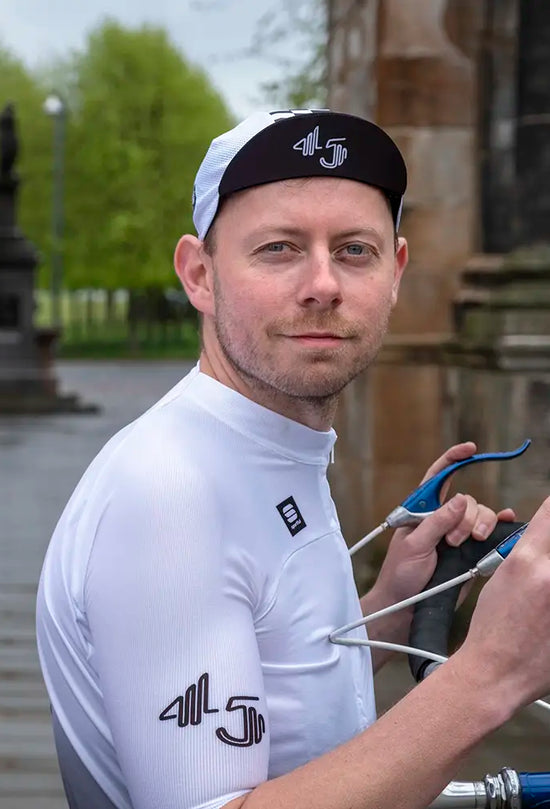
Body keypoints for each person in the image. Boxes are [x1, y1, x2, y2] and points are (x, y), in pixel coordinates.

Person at [35, 107, 550, 809]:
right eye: (279, 248)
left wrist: (392, 608)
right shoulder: (168, 492)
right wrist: (492, 670)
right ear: (199, 274)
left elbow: (273, 691)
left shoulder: (269, 449)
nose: (323, 284)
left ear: (395, 272)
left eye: (354, 250)